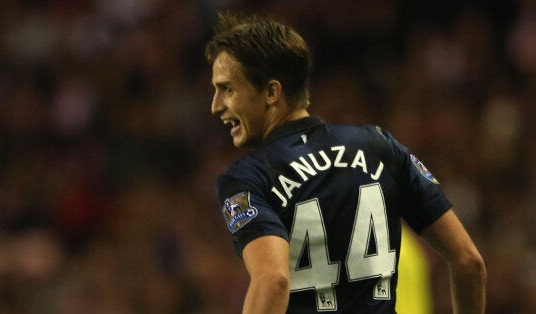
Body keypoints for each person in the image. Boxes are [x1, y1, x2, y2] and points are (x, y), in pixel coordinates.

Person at [205, 11, 486, 313]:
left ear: (272, 92)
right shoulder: (380, 146)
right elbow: (469, 261)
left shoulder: (247, 178)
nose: (215, 106)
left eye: (227, 89)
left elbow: (273, 279)